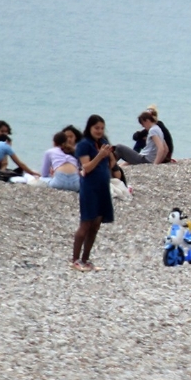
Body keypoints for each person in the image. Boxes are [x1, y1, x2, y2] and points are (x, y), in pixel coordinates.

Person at [72, 115, 116, 270]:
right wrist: (100, 155)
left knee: (96, 224)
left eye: (102, 128)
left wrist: (109, 154)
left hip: (102, 187)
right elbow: (87, 167)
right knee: (86, 223)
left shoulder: (103, 143)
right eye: (96, 128)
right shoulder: (84, 145)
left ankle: (86, 259)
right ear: (89, 128)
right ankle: (75, 260)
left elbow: (112, 163)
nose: (99, 131)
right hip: (89, 188)